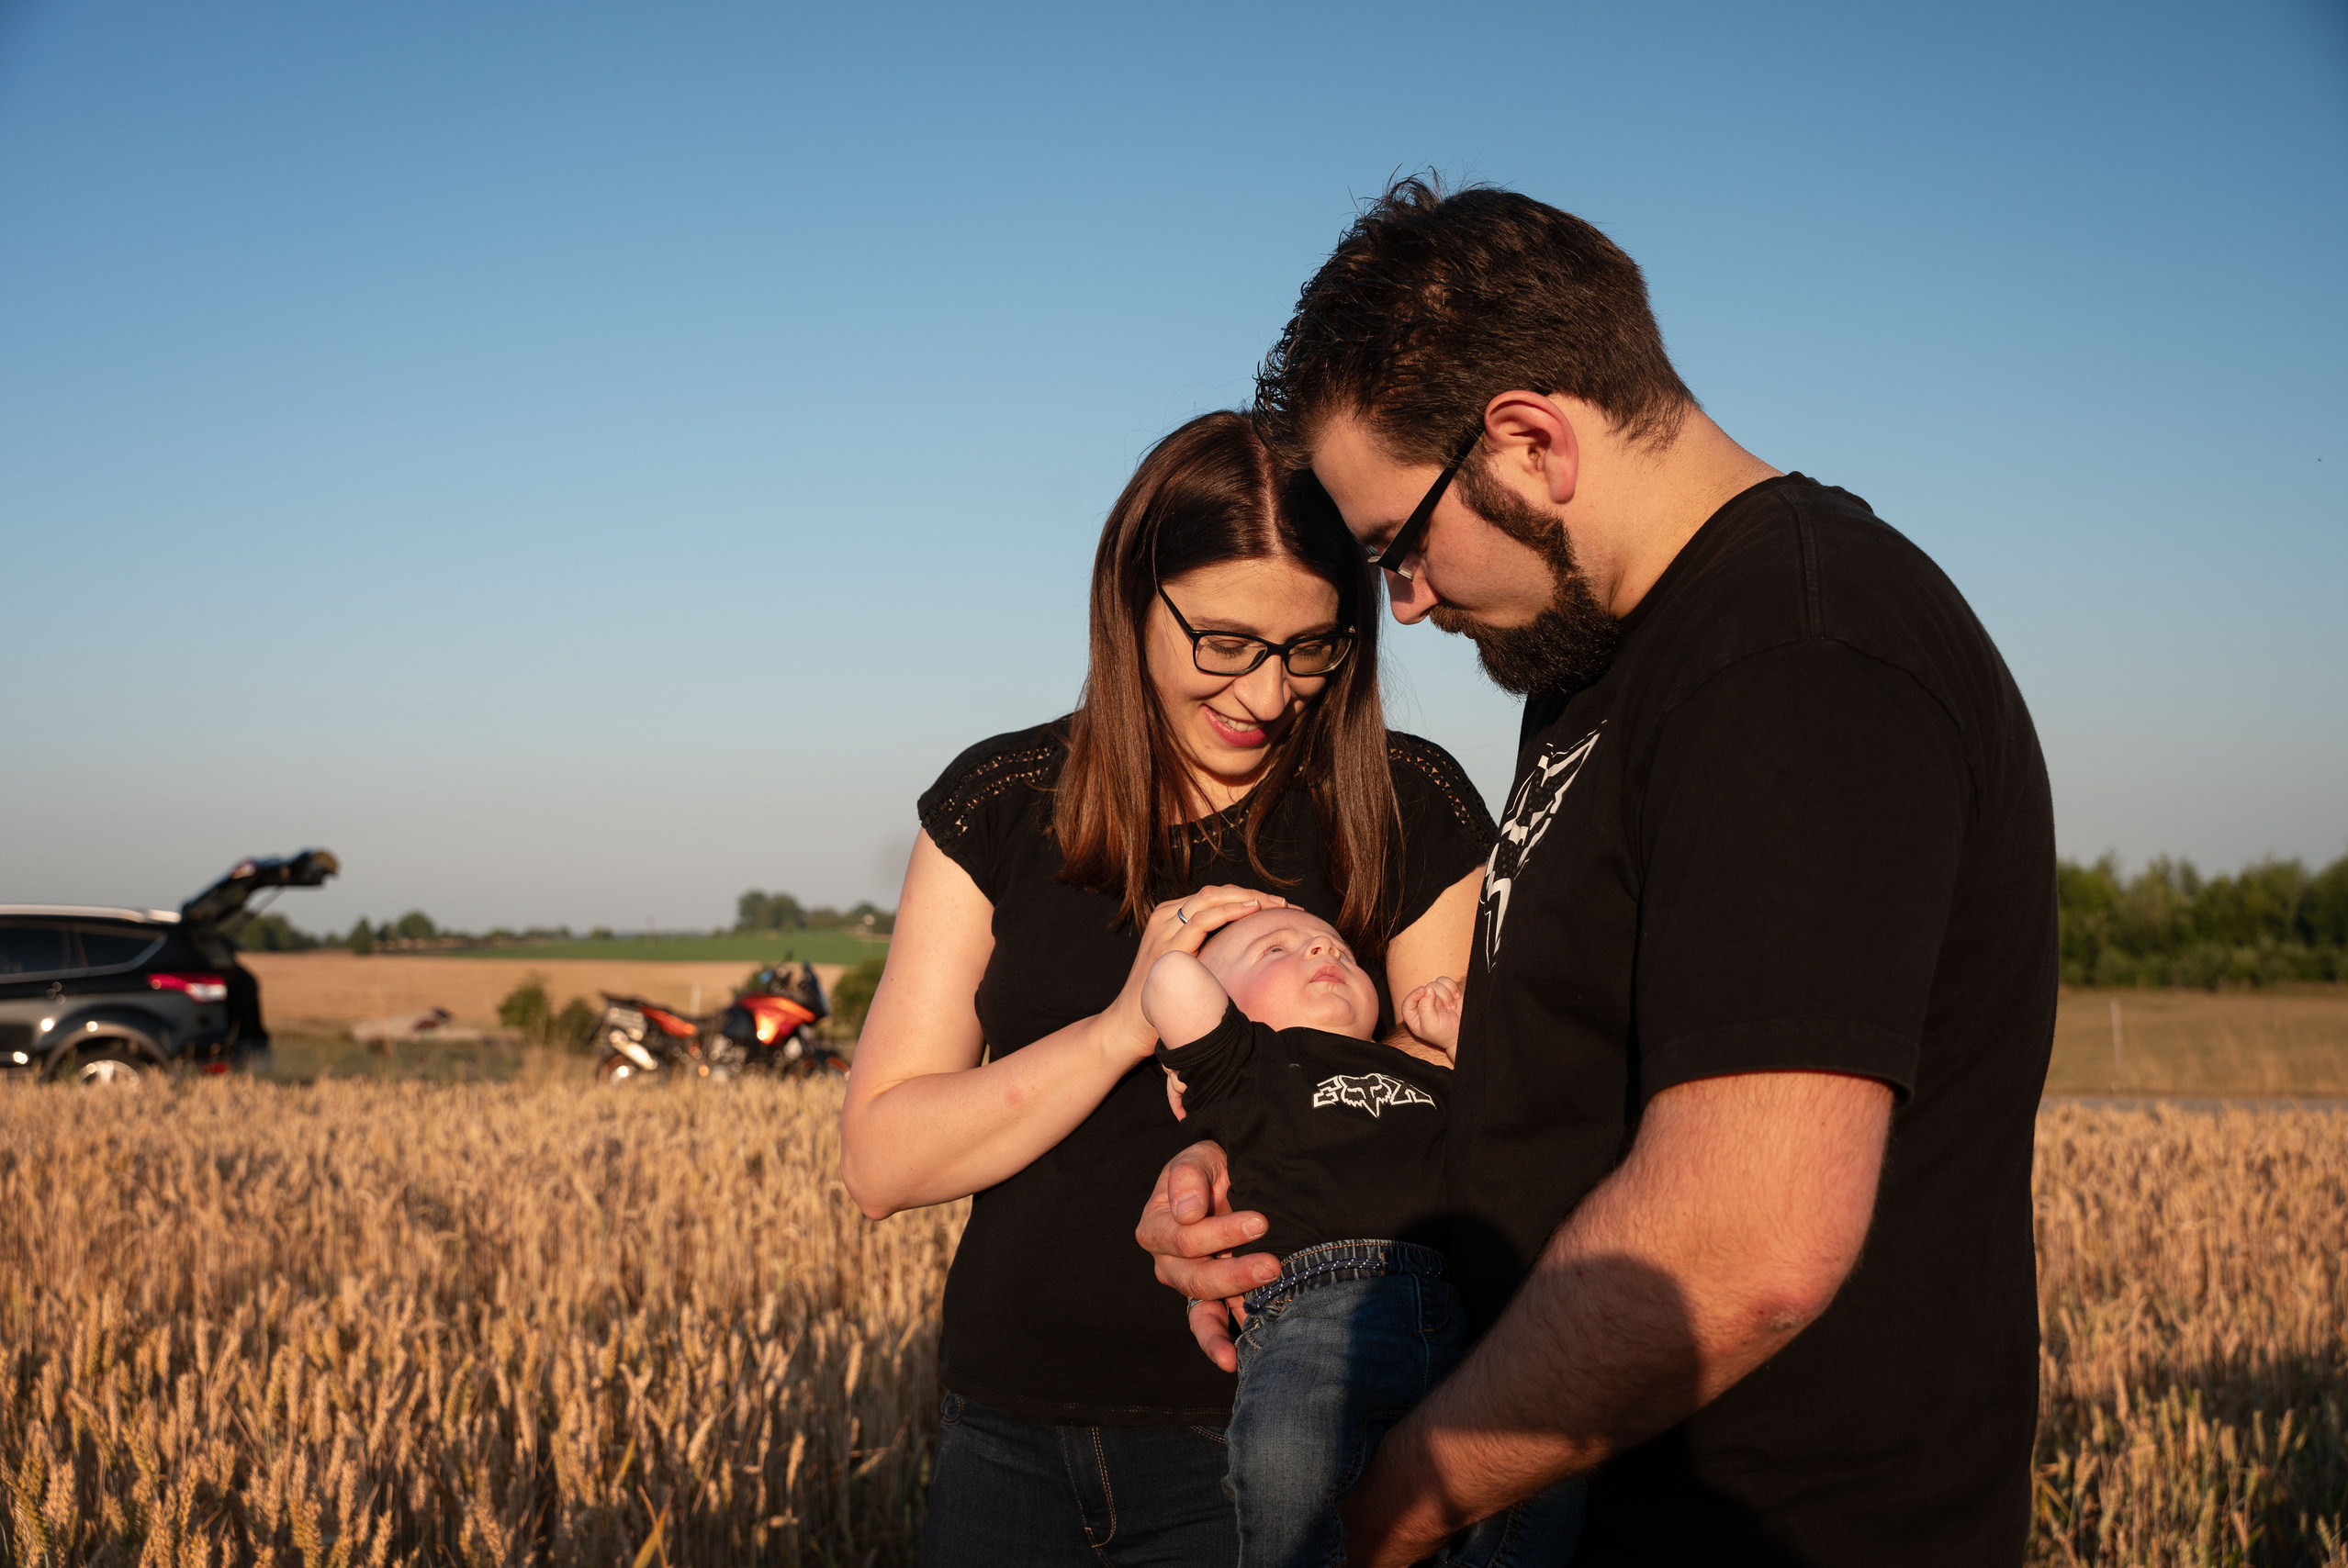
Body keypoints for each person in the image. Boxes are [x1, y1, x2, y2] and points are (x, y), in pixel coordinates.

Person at [1139, 179, 2059, 1567]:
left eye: (1400, 545)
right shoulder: (1604, 662)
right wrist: (1283, 1172)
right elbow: (1562, 1103)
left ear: (1527, 442)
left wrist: (1397, 1510)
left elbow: (1746, 1238)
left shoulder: (1797, 657)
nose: (1408, 602)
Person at [839, 409, 1498, 1566]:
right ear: (1131, 596)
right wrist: (1120, 1028)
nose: (1268, 693)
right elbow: (883, 1160)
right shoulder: (997, 802)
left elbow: (1465, 1115)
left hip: (1278, 1441)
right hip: (1006, 1437)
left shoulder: (1408, 802)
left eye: (1311, 647)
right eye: (1226, 642)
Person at [1145, 905, 1582, 1568]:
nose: (1323, 948)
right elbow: (1173, 981)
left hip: (1458, 1309)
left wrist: (1466, 1041)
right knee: (1283, 1457)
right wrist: (1187, 979)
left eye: (1340, 951)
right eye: (1275, 950)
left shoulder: (1429, 1070)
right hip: (1318, 1313)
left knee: (1549, 1464)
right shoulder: (1250, 1067)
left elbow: (1511, 1123)